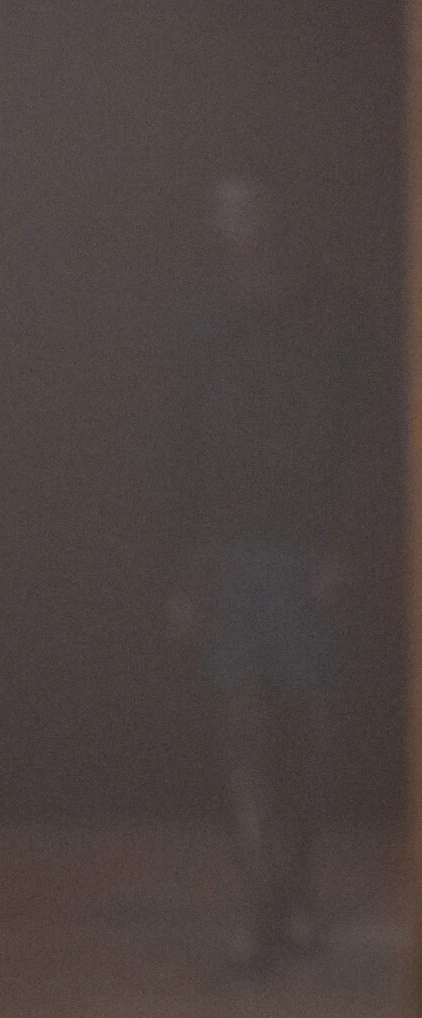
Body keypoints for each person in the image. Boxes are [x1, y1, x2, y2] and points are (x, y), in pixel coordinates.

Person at [163, 173, 355, 968]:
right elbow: (179, 445)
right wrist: (185, 568)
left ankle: (296, 894)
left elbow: (350, 434)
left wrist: (340, 543)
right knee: (239, 728)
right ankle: (260, 902)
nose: (237, 224)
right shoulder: (200, 320)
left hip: (301, 549)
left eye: (249, 207)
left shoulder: (323, 316)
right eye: (225, 210)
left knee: (306, 731)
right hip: (225, 553)